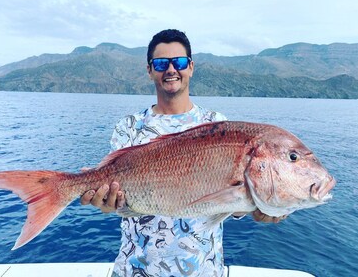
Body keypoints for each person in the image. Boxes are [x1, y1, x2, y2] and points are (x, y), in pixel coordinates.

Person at [81, 29, 286, 276]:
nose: (170, 70)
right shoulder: (129, 126)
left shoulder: (217, 124)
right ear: (149, 70)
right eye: (160, 63)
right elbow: (117, 201)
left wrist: (258, 207)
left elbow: (231, 201)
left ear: (190, 67)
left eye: (178, 62)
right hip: (136, 270)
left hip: (203, 271)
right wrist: (106, 201)